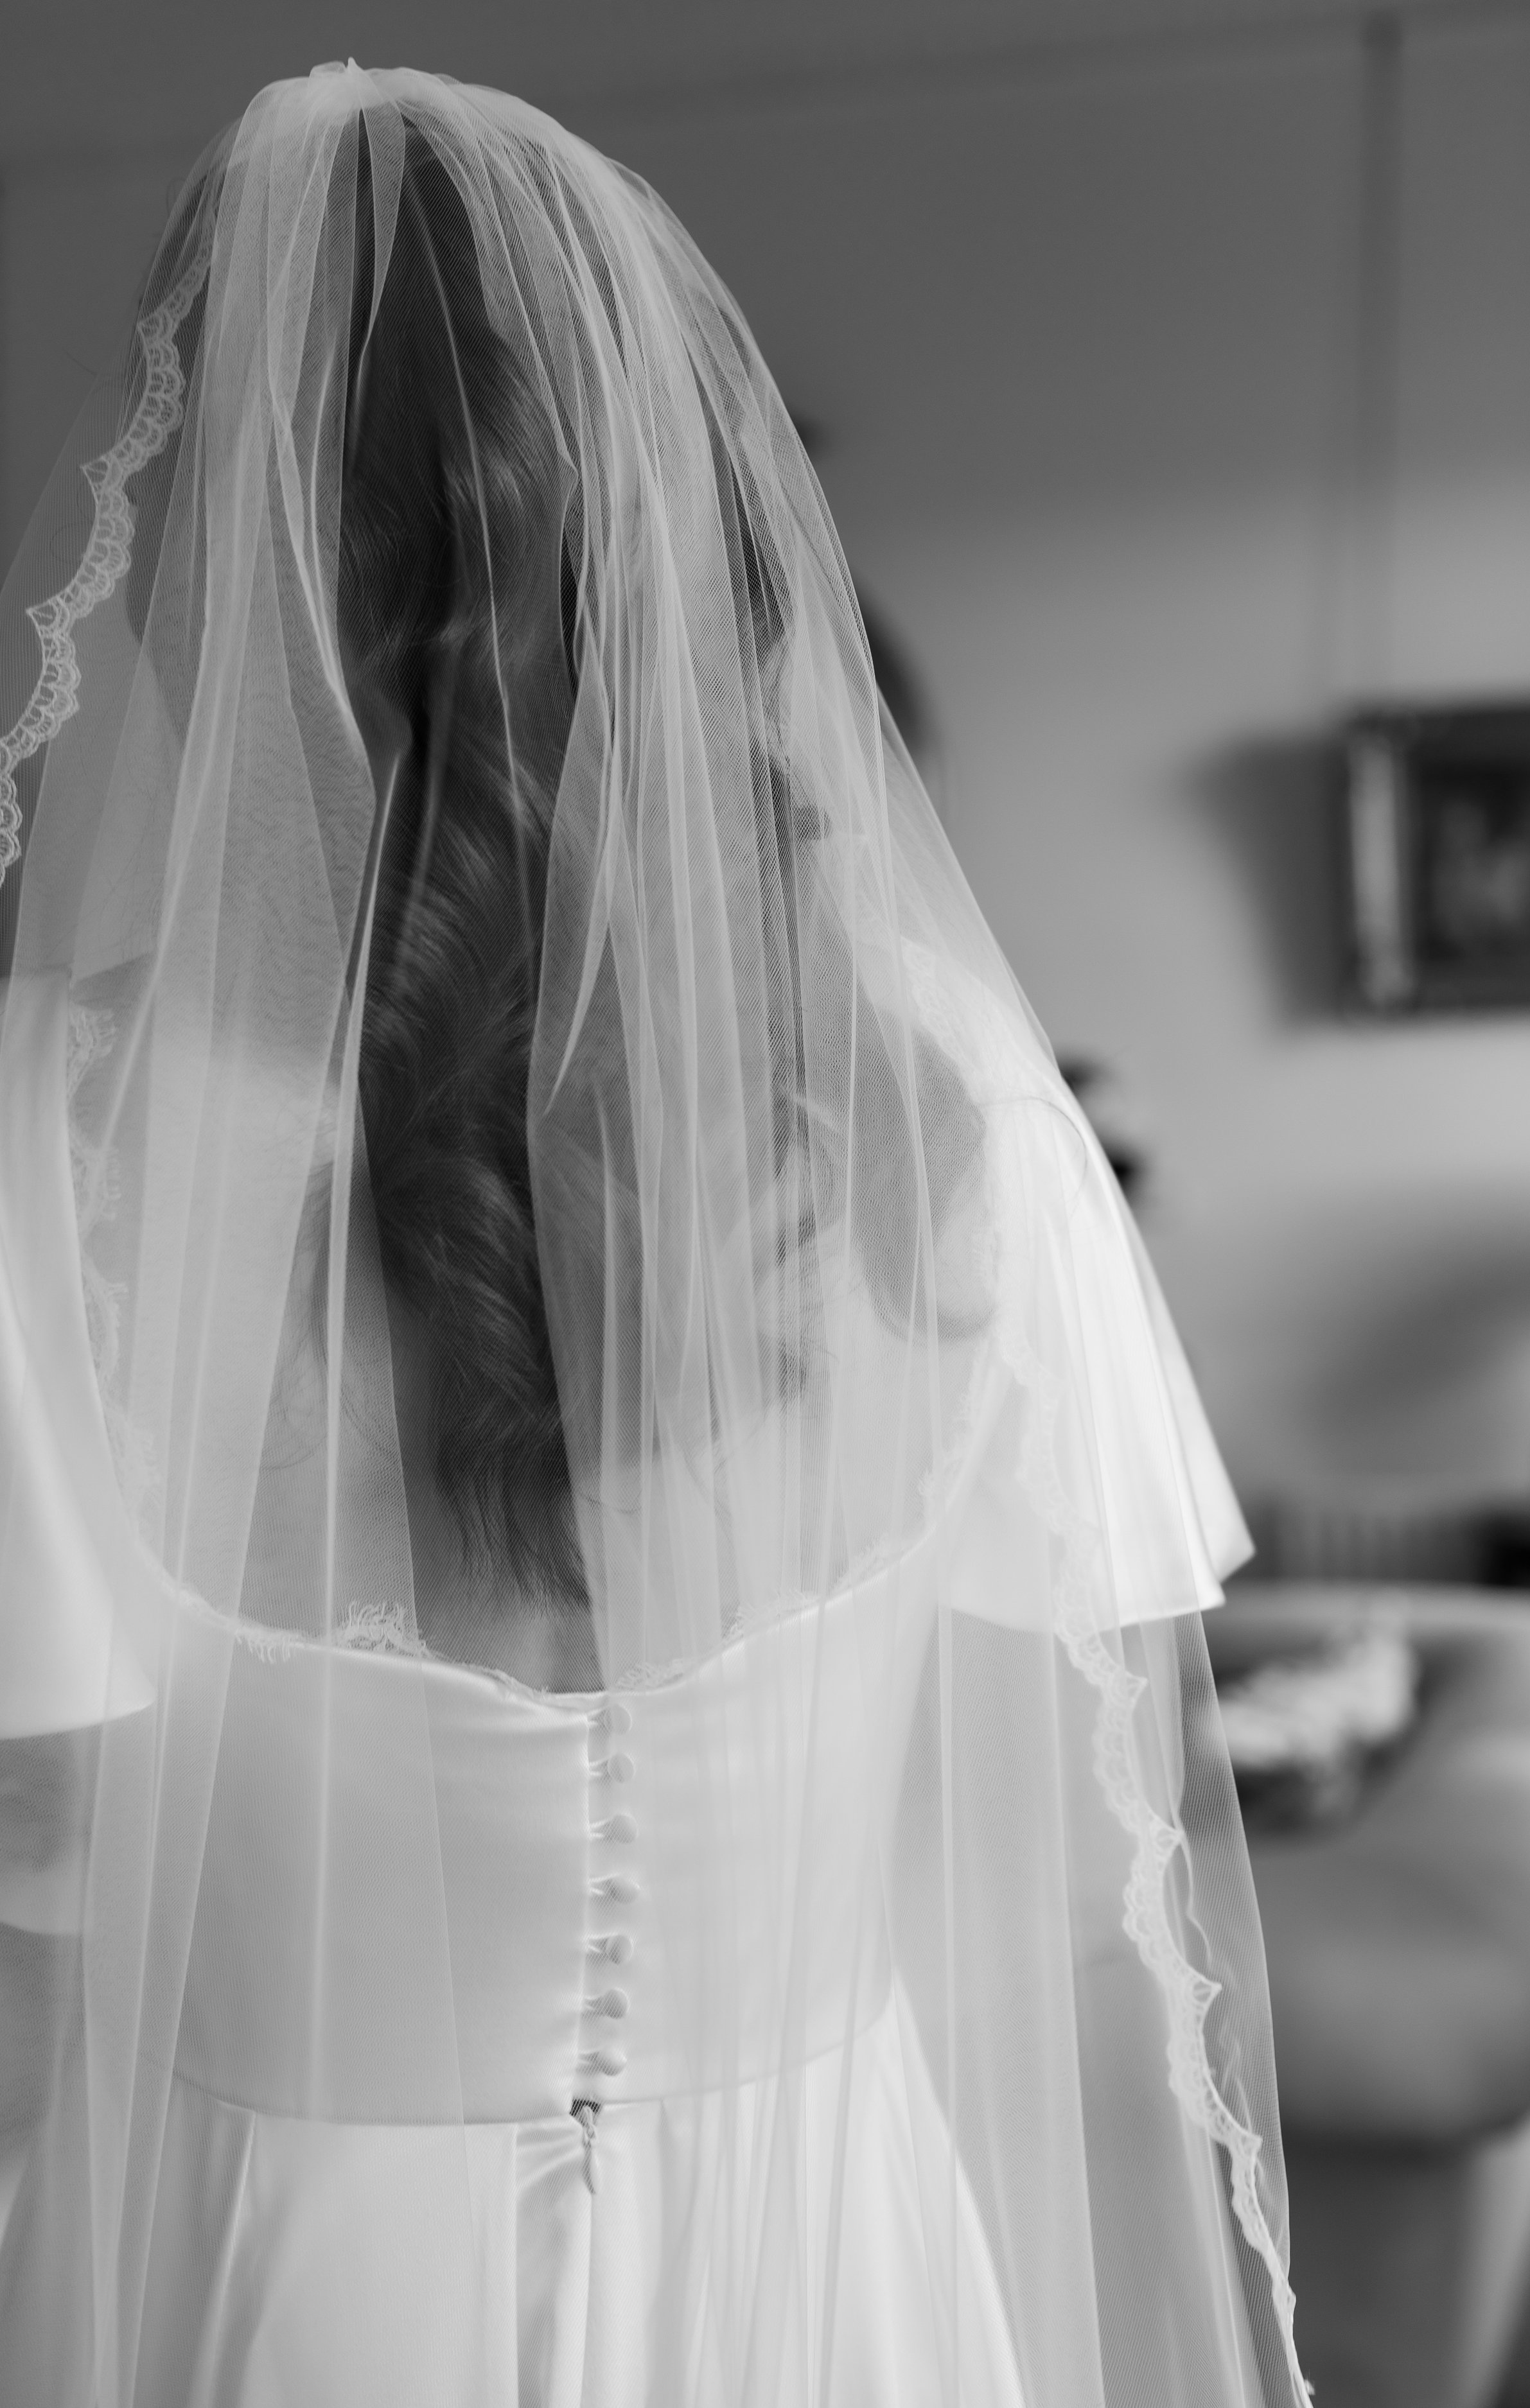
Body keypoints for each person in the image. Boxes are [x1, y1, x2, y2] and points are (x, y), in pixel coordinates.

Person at [0, 66, 1308, 2407]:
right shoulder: (955, 1114)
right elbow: (1094, 1874)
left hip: (284, 2290)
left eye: (178, 441)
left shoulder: (54, 1140)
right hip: (845, 2284)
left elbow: (31, 1915)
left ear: (250, 540)